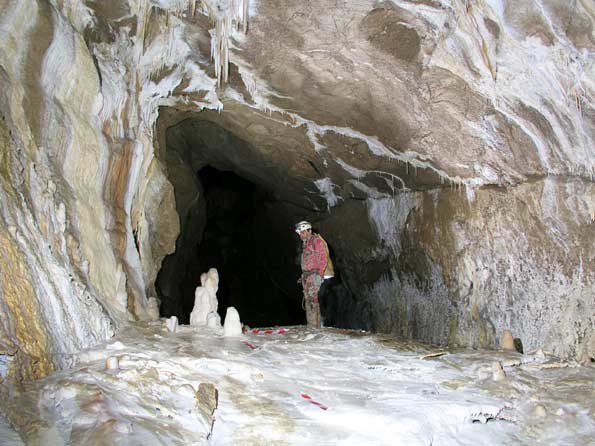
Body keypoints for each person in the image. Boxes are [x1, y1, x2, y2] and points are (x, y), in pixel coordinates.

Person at [295, 221, 334, 328]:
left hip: (318, 276)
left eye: (303, 232)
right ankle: (312, 326)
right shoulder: (306, 243)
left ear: (309, 231)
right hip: (309, 277)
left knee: (315, 301)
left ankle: (318, 326)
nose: (301, 235)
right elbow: (308, 262)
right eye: (300, 233)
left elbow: (323, 259)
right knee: (309, 301)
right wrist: (303, 276)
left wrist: (318, 277)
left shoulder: (316, 242)